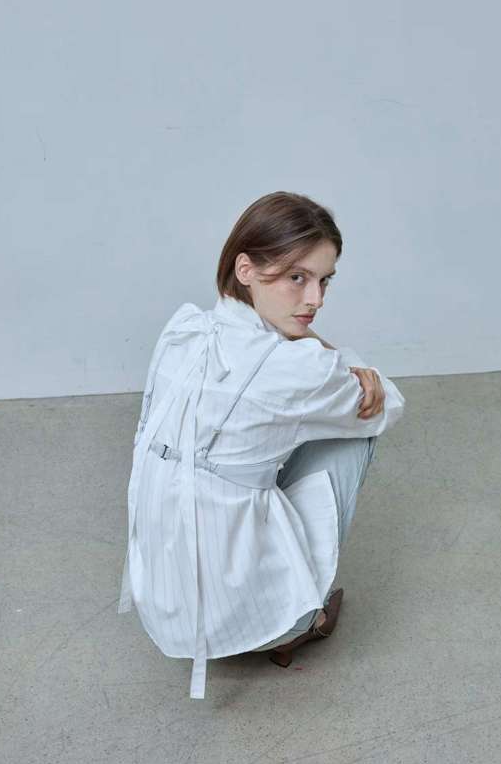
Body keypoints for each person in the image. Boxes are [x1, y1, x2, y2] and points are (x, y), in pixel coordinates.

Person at [118, 191, 406, 699]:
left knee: (240, 448)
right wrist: (340, 360)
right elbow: (388, 403)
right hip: (251, 618)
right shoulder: (298, 368)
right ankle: (298, 620)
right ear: (246, 269)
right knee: (356, 431)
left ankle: (252, 589)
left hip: (165, 607)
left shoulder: (185, 330)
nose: (315, 299)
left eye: (324, 280)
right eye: (297, 277)